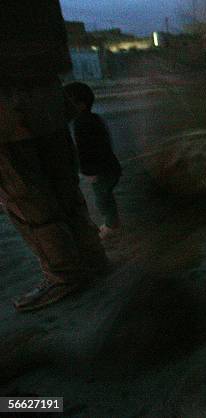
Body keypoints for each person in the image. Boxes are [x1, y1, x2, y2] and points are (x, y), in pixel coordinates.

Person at [0, 1, 108, 312]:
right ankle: (92, 259)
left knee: (27, 197)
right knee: (64, 188)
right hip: (47, 92)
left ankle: (64, 274)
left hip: (9, 101)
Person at [64, 82, 122, 239]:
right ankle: (112, 223)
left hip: (101, 171)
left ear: (80, 105)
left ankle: (112, 226)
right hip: (110, 167)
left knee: (103, 200)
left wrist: (89, 171)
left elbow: (87, 150)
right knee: (106, 197)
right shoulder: (93, 118)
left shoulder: (81, 124)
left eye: (67, 102)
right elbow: (103, 144)